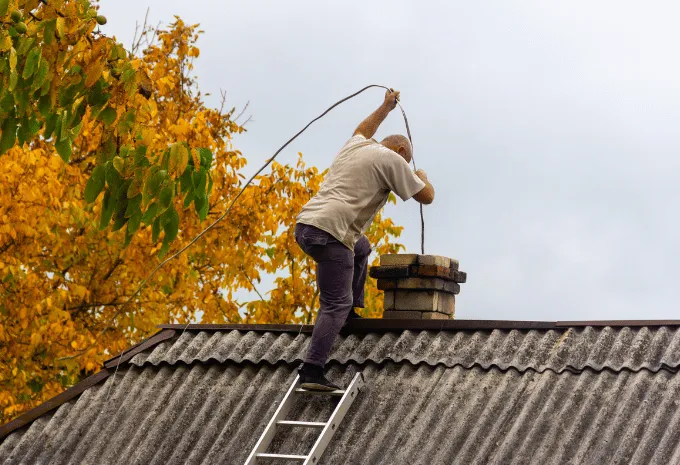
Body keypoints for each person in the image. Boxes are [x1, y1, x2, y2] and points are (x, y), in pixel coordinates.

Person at [294, 89, 435, 391]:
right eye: (405, 161)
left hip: (307, 224)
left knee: (362, 246)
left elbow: (363, 129)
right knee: (335, 302)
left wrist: (385, 107)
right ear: (400, 153)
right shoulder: (393, 159)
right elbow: (427, 196)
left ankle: (350, 312)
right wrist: (421, 173)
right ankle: (312, 369)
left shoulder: (357, 145)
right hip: (333, 232)